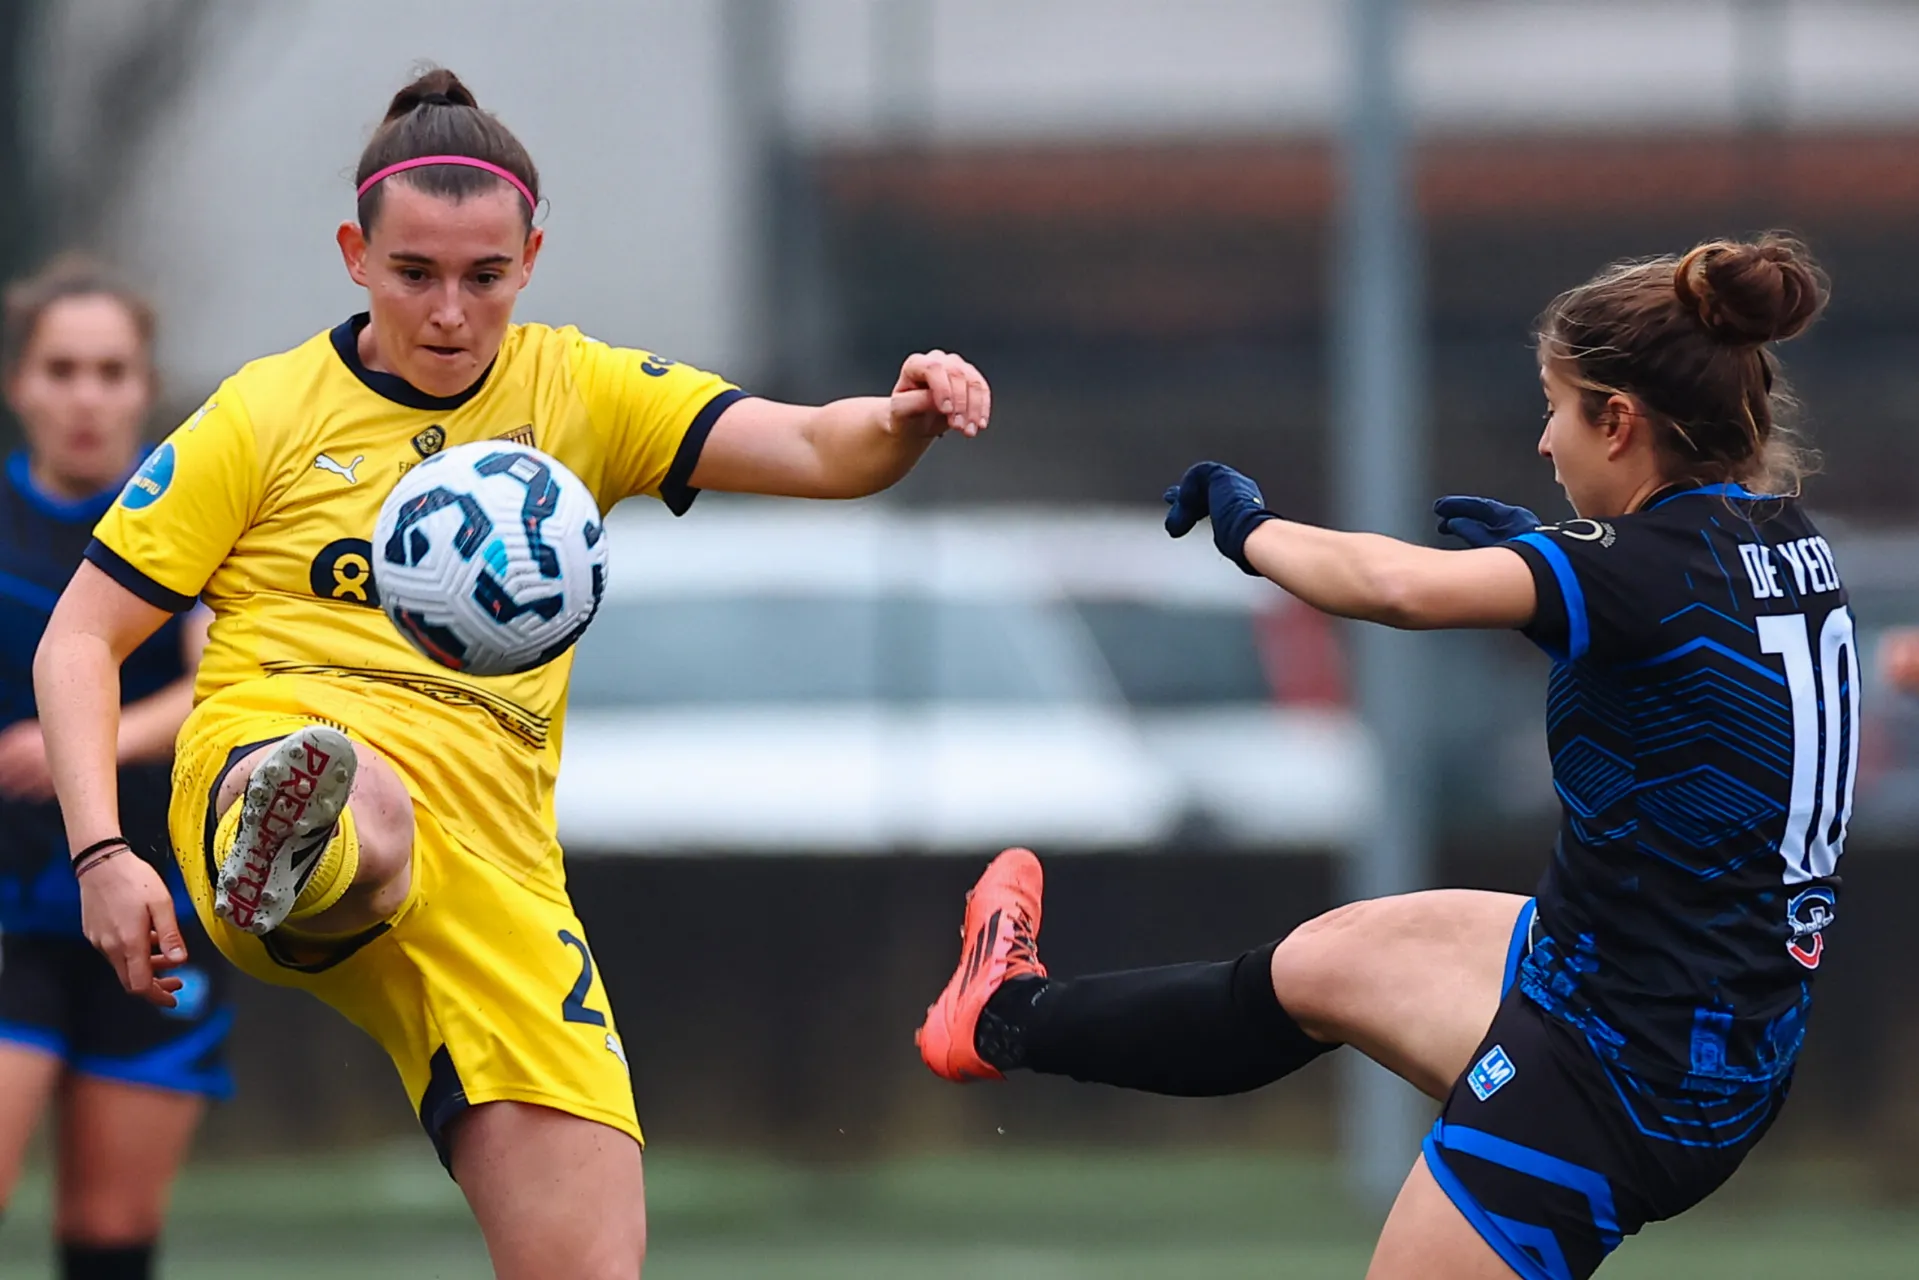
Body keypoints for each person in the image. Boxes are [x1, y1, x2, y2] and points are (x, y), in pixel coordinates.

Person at [32, 67, 988, 1280]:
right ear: (353, 256)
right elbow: (79, 639)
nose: (449, 312)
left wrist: (901, 417)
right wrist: (103, 854)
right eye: (413, 273)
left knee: (590, 1260)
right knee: (359, 798)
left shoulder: (575, 389)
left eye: (483, 276)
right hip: (274, 745)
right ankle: (289, 834)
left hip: (498, 858)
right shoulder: (260, 415)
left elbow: (810, 443)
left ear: (531, 259)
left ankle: (322, 831)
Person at [919, 236, 1851, 1280]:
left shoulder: (1634, 571)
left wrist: (1249, 528)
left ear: (1619, 423)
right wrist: (1560, 594)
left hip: (1618, 1068)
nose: (1543, 441)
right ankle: (1001, 1016)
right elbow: (1696, 692)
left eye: (1555, 408)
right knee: (1328, 964)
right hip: (1696, 1019)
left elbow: (1392, 588)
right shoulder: (1782, 542)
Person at [0, 258, 228, 1280]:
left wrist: (85, 740)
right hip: (13, 911)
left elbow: (220, 684)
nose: (85, 397)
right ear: (19, 383)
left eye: (109, 371)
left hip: (157, 906)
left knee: (109, 1233)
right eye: (61, 370)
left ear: (144, 385)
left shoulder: (195, 519)